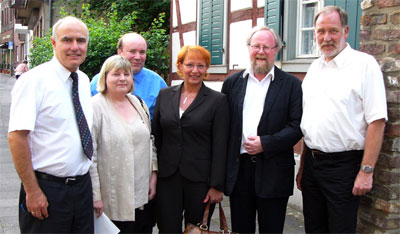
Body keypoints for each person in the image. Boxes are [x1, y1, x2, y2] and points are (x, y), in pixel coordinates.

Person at [297, 6, 387, 233]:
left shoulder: (364, 65)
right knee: (313, 228)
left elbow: (377, 121)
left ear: (346, 31)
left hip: (344, 167)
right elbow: (312, 122)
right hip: (312, 165)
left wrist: (366, 171)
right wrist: (303, 167)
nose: (326, 38)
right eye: (320, 31)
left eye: (333, 31)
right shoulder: (315, 68)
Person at [8, 16, 94, 233]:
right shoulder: (34, 81)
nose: (75, 47)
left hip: (82, 188)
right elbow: (17, 137)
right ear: (54, 43)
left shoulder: (83, 80)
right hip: (47, 189)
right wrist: (32, 190)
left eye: (81, 41)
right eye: (67, 40)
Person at [221, 25, 303, 233]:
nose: (261, 52)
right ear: (249, 48)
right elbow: (223, 126)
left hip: (274, 171)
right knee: (241, 229)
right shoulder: (231, 83)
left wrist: (265, 143)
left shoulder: (292, 85)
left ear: (276, 50)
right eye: (256, 46)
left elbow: (296, 126)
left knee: (272, 229)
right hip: (239, 172)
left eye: (267, 47)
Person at [152, 45, 229, 233]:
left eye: (201, 66)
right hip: (168, 177)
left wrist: (217, 186)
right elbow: (156, 137)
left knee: (196, 229)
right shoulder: (164, 95)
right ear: (180, 66)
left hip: (200, 181)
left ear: (206, 69)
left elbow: (221, 146)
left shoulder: (217, 100)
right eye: (190, 65)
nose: (195, 71)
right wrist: (153, 173)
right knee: (167, 228)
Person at [89, 55, 158, 233]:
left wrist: (153, 175)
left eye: (127, 74)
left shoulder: (138, 103)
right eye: (116, 74)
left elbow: (150, 141)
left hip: (142, 196)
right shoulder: (95, 107)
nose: (122, 78)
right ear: (105, 77)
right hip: (113, 197)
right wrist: (95, 195)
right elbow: (91, 155)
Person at [90, 33, 167, 118]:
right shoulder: (98, 82)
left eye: (142, 52)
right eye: (132, 51)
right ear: (120, 52)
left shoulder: (157, 83)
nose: (138, 57)